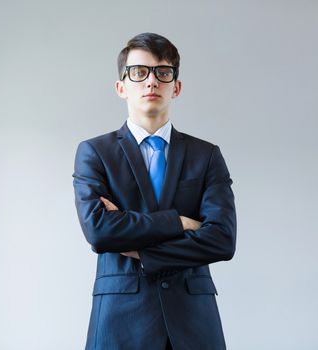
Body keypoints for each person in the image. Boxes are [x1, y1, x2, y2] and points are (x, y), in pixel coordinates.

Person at [72, 33, 237, 350]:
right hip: (120, 320)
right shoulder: (95, 153)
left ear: (176, 87)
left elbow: (222, 239)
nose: (151, 82)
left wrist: (143, 252)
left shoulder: (207, 156)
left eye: (163, 72)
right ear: (121, 87)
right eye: (139, 72)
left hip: (193, 321)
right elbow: (101, 232)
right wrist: (178, 222)